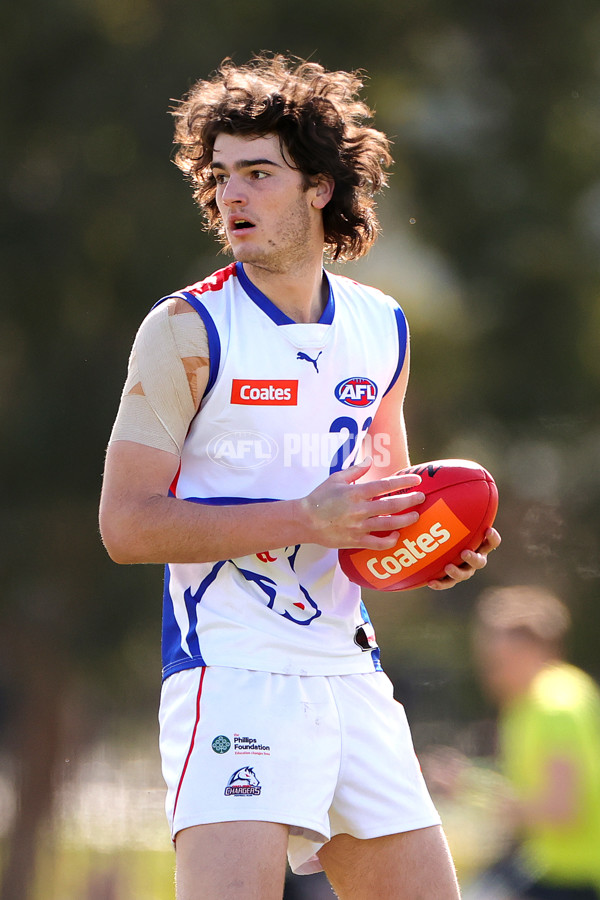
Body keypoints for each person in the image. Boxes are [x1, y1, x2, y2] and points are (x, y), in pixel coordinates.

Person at [99, 54, 500, 900]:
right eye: (219, 177)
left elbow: (375, 514)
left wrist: (430, 548)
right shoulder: (186, 328)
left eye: (258, 174)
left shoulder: (381, 326)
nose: (230, 197)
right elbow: (127, 526)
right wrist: (306, 518)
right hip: (233, 674)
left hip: (350, 673)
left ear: (319, 185)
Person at [472, 585, 600, 900]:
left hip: (578, 879)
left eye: (496, 661)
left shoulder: (555, 705)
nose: (489, 674)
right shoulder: (525, 705)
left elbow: (561, 809)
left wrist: (494, 810)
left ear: (532, 651)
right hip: (550, 869)